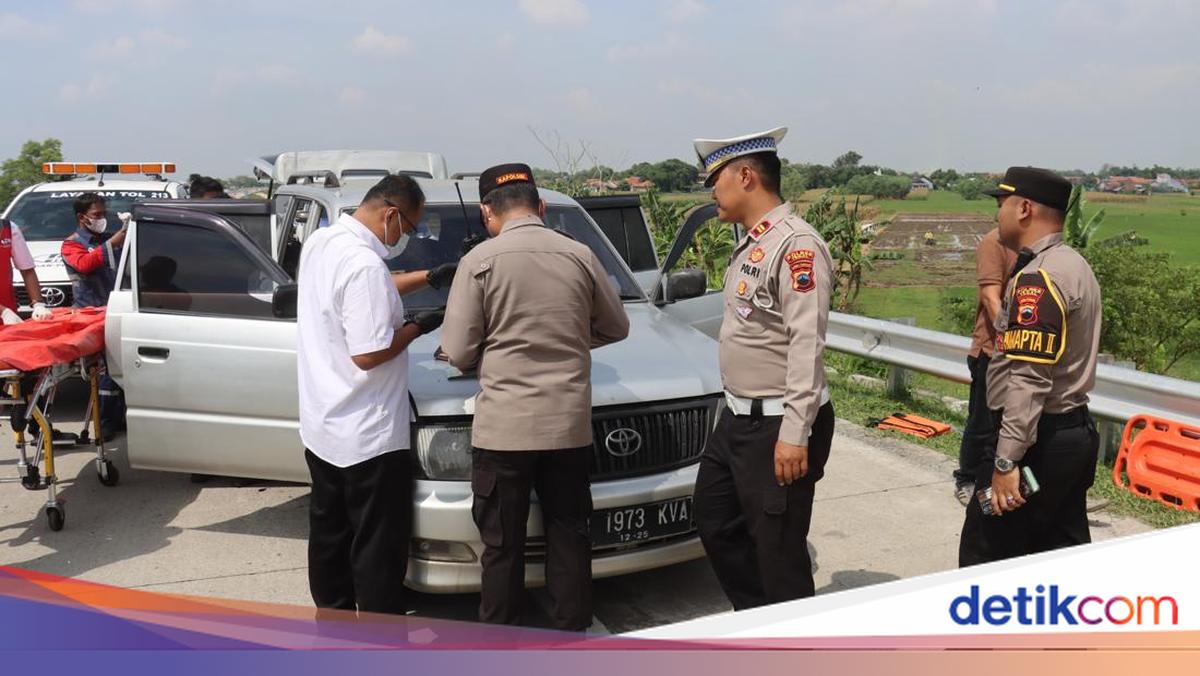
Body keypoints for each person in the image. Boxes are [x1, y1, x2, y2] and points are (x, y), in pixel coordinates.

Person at [440, 163, 629, 630]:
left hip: (505, 430)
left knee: (503, 543)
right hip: (567, 426)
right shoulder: (579, 255)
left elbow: (459, 350)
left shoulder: (479, 261)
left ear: (487, 212)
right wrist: (567, 340)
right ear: (540, 207)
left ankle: (502, 638)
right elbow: (616, 327)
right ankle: (571, 631)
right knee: (570, 533)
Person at [690, 127, 836, 610]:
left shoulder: (796, 246)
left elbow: (806, 344)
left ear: (746, 176)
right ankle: (757, 621)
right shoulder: (756, 242)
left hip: (778, 424)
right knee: (715, 519)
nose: (712, 191)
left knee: (779, 554)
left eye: (716, 180)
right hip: (738, 419)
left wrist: (795, 434)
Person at [296, 174, 453, 615]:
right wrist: (418, 326)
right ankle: (381, 630)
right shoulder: (364, 264)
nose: (407, 237)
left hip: (324, 424)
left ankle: (333, 618)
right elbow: (369, 354)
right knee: (377, 545)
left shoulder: (324, 243)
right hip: (368, 433)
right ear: (391, 214)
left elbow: (370, 288)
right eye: (409, 227)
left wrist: (429, 277)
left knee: (330, 533)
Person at [958, 167, 1102, 566]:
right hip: (1071, 433)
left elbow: (1029, 378)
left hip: (1036, 441)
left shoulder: (1038, 278)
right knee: (1059, 550)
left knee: (986, 554)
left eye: (1001, 204)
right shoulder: (1073, 263)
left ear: (1024, 209)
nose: (997, 215)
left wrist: (1007, 460)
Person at [953, 228, 1017, 505]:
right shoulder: (995, 242)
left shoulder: (1035, 245)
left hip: (1022, 354)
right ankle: (967, 478)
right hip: (991, 350)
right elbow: (991, 299)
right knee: (983, 423)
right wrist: (1013, 339)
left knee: (1014, 423)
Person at [61, 193, 128, 439]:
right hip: (89, 314)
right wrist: (113, 244)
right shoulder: (71, 244)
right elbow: (84, 264)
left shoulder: (110, 238)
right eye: (96, 215)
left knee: (120, 368)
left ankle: (118, 418)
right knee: (101, 373)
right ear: (82, 217)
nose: (101, 218)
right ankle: (105, 423)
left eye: (103, 214)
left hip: (115, 310)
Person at [1, 215, 52, 324]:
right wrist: (3, 312)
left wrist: (38, 304)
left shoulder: (9, 228)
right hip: (5, 313)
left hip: (8, 315)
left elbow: (27, 270)